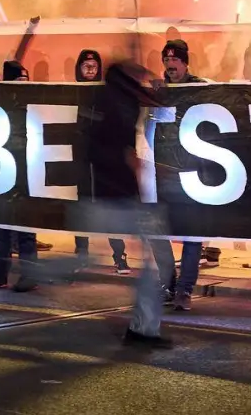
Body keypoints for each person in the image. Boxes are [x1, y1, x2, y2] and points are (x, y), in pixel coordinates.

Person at [87, 61, 172, 348]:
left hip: (117, 194)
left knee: (152, 260)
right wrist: (126, 161)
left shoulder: (117, 100)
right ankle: (143, 329)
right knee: (154, 260)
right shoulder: (115, 104)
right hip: (114, 195)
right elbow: (98, 149)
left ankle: (144, 329)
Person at [152, 38, 218, 310]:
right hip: (163, 172)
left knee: (192, 233)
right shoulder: (157, 90)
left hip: (192, 172)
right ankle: (168, 284)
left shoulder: (200, 87)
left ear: (185, 63)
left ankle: (184, 290)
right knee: (157, 232)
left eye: (175, 60)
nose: (170, 65)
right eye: (166, 60)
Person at [0, 58, 42, 292]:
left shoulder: (33, 102)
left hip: (26, 170)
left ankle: (29, 275)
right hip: (3, 170)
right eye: (19, 79)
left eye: (26, 79)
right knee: (1, 227)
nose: (24, 83)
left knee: (25, 226)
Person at [72, 49, 130, 275]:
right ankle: (81, 254)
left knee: (109, 208)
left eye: (94, 66)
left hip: (105, 162)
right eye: (86, 65)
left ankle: (119, 255)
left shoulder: (106, 95)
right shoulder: (71, 93)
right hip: (82, 160)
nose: (90, 69)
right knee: (82, 207)